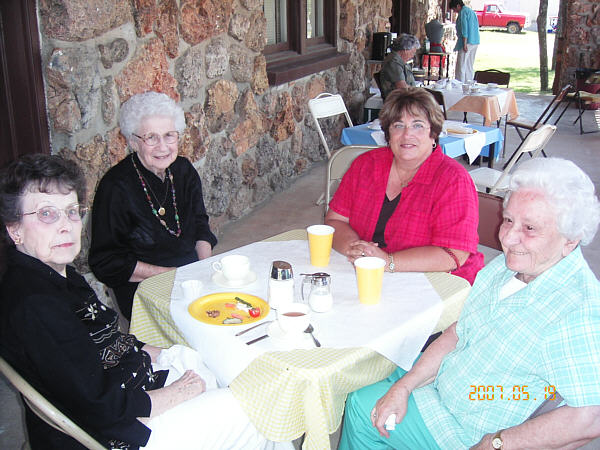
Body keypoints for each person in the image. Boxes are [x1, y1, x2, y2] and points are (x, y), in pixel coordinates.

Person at [0, 154, 268, 450]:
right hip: (118, 433)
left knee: (214, 366)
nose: (66, 226)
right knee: (256, 409)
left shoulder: (54, 275)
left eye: (72, 211)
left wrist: (164, 352)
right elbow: (100, 407)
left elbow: (101, 342)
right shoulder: (35, 304)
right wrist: (178, 393)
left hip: (127, 386)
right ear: (14, 229)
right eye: (47, 214)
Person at [338, 157, 600, 449]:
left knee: (363, 410)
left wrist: (495, 443)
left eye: (530, 228)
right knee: (372, 371)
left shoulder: (577, 311)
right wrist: (405, 385)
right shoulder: (505, 268)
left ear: (570, 240)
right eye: (509, 220)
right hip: (449, 383)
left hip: (465, 428)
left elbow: (589, 416)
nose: (509, 238)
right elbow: (457, 333)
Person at [325, 88, 483, 284]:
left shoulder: (453, 180)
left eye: (418, 125)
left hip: (436, 279)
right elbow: (335, 219)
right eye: (398, 125)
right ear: (388, 134)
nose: (407, 134)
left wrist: (388, 262)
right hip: (369, 270)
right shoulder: (365, 165)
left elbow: (454, 254)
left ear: (433, 133)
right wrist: (353, 246)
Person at [89, 91, 217, 320]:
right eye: (151, 137)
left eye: (169, 135)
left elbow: (200, 224)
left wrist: (204, 269)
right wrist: (171, 276)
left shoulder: (183, 170)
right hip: (144, 290)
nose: (163, 147)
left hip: (191, 278)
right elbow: (107, 262)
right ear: (133, 141)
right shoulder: (115, 187)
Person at [379, 34, 421, 99]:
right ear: (405, 50)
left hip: (405, 97)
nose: (413, 56)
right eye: (412, 52)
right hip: (400, 100)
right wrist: (420, 92)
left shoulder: (399, 61)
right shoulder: (394, 62)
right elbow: (402, 87)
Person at [450, 0, 480, 82]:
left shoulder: (463, 12)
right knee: (469, 65)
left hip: (467, 42)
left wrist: (464, 43)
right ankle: (469, 84)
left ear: (458, 6)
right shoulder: (471, 11)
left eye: (454, 9)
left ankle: (459, 85)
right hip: (475, 41)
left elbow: (464, 28)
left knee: (461, 65)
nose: (455, 11)